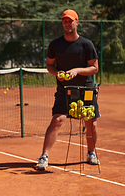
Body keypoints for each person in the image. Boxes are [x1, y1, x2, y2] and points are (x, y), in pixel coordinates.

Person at [35, 9, 100, 170]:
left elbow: (94, 68)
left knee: (91, 123)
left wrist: (77, 70)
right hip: (65, 89)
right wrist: (57, 73)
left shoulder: (86, 44)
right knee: (57, 120)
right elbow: (49, 65)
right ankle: (44, 157)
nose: (67, 23)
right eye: (64, 21)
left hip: (86, 88)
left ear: (77, 22)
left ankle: (91, 153)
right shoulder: (55, 44)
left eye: (70, 21)